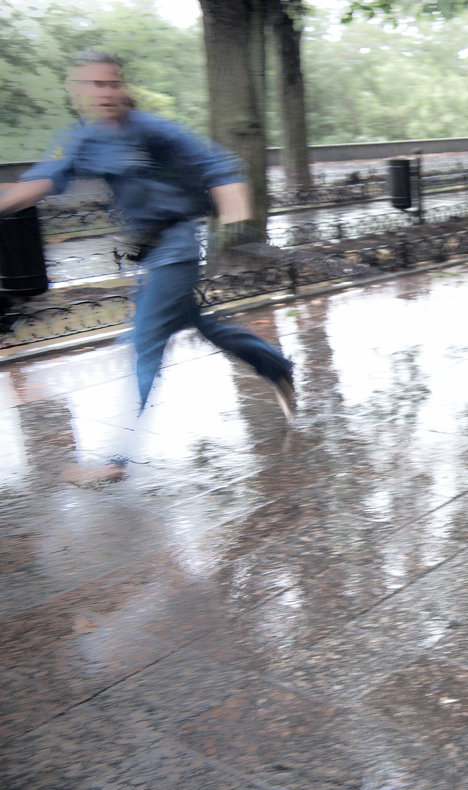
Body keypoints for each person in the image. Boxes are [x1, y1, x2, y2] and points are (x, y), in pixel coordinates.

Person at [0, 50, 296, 482]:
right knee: (199, 322)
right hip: (150, 252)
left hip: (175, 245)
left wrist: (236, 213)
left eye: (112, 83)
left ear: (124, 87)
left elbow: (218, 164)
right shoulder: (83, 139)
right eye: (95, 85)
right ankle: (276, 367)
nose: (106, 93)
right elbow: (41, 182)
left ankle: (114, 460)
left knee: (142, 342)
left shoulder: (154, 130)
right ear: (77, 91)